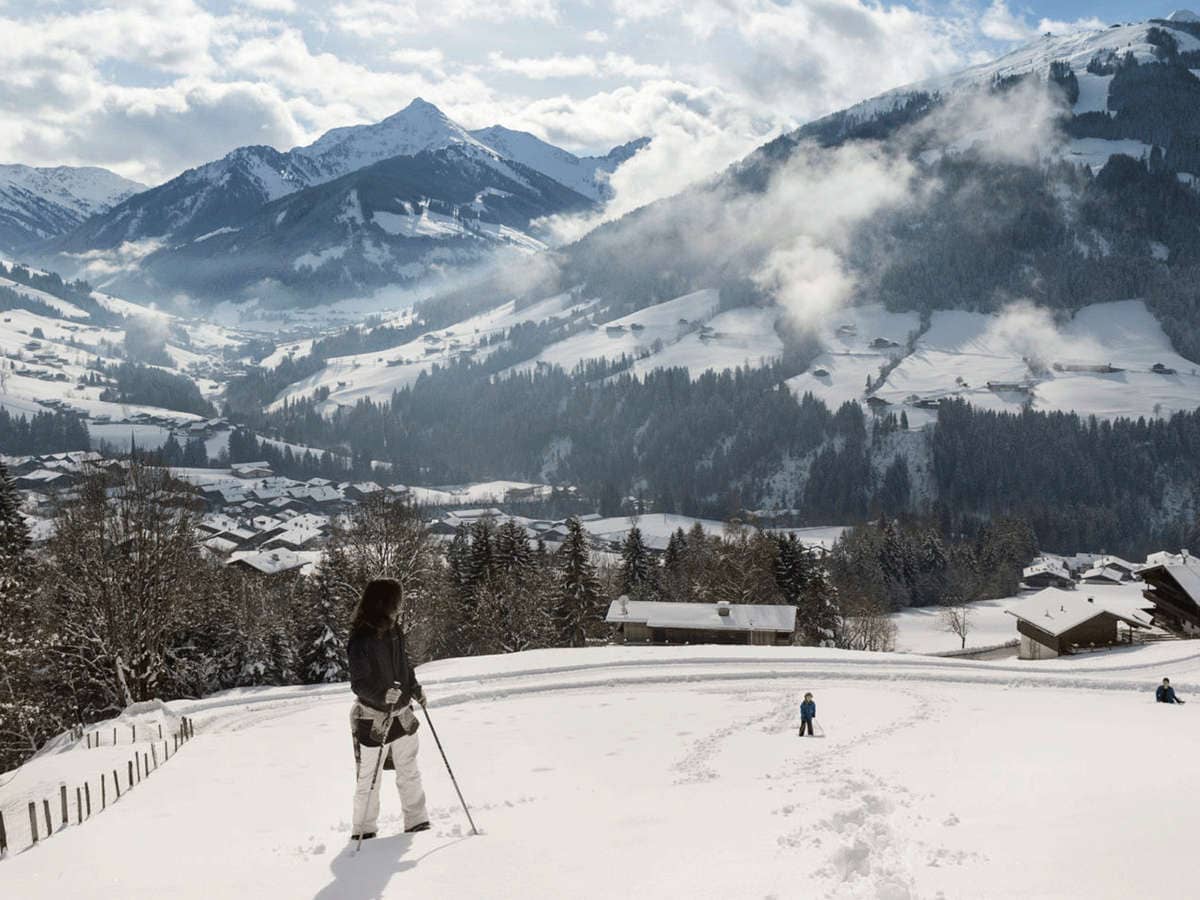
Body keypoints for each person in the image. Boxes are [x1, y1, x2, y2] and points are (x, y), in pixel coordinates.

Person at [348, 578, 430, 841]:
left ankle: (417, 821)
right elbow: (359, 683)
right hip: (373, 717)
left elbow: (404, 664)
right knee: (369, 777)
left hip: (402, 713)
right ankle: (364, 830)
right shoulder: (361, 638)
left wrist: (414, 688)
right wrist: (382, 695)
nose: (401, 605)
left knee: (409, 768)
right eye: (397, 600)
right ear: (384, 602)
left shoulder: (395, 630)